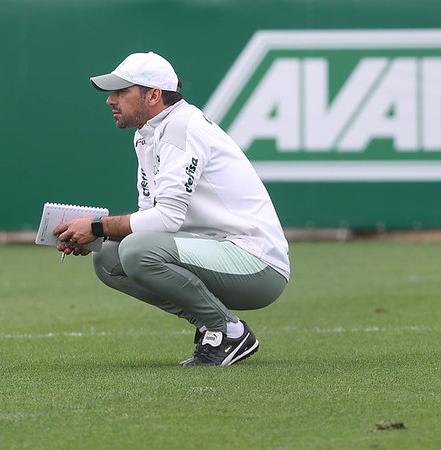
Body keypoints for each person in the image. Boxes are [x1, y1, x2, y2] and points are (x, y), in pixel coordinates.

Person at [53, 52, 290, 367]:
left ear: (153, 95)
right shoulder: (148, 135)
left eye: (122, 91)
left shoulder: (180, 127)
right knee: (108, 258)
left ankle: (229, 332)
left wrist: (97, 227)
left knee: (136, 249)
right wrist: (96, 238)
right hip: (219, 254)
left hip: (257, 266)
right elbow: (150, 218)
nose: (111, 100)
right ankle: (214, 325)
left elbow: (167, 219)